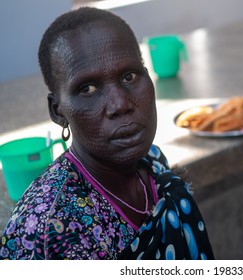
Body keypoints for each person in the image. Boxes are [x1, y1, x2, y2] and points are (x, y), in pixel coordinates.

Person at [0, 7, 214, 260]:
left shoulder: (153, 162)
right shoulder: (49, 231)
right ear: (58, 111)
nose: (120, 104)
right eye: (87, 88)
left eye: (129, 76)